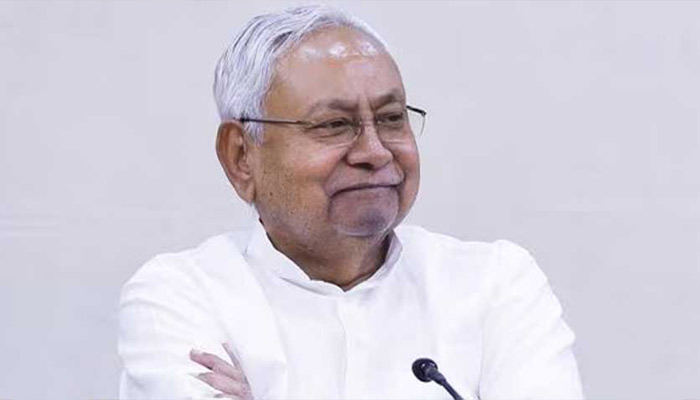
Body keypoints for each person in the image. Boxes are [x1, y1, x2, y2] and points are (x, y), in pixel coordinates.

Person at [118, 5, 584, 400]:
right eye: (334, 125)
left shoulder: (495, 285)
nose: (375, 152)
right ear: (242, 157)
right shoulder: (181, 295)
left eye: (391, 118)